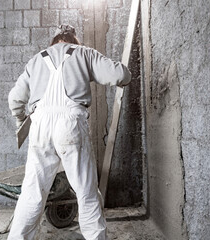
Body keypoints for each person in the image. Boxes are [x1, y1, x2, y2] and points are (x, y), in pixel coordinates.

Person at [7, 24, 131, 240]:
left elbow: (14, 99)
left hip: (40, 126)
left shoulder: (36, 60)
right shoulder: (85, 53)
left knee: (32, 193)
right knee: (86, 192)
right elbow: (120, 74)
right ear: (74, 41)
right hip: (71, 123)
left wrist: (21, 120)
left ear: (54, 42)